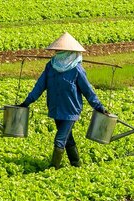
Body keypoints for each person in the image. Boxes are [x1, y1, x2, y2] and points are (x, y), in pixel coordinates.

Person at [18, 32, 108, 169]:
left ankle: (53, 168)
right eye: (56, 50)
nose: (57, 53)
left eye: (60, 50)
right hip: (55, 108)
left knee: (59, 139)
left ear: (68, 51)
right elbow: (40, 86)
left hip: (71, 110)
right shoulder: (51, 66)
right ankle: (76, 163)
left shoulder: (77, 69)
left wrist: (99, 107)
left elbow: (88, 91)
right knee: (68, 138)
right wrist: (27, 102)